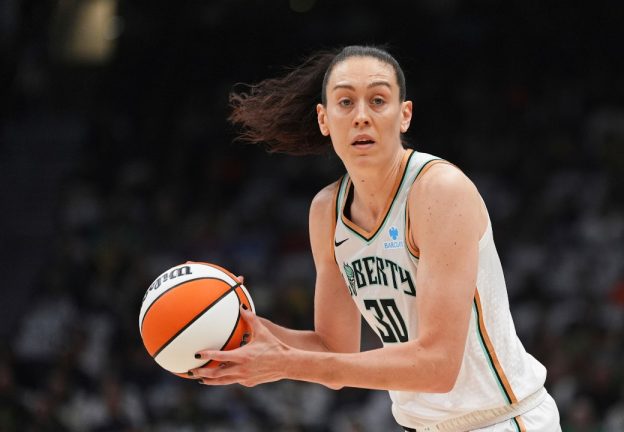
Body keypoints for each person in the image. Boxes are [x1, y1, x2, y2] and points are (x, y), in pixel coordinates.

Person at [190, 45, 561, 432]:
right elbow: (333, 355)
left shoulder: (438, 191)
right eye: (345, 102)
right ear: (324, 119)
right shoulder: (327, 211)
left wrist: (286, 362)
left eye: (378, 100)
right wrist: (245, 332)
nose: (362, 117)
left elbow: (437, 366)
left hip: (504, 421)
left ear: (404, 115)